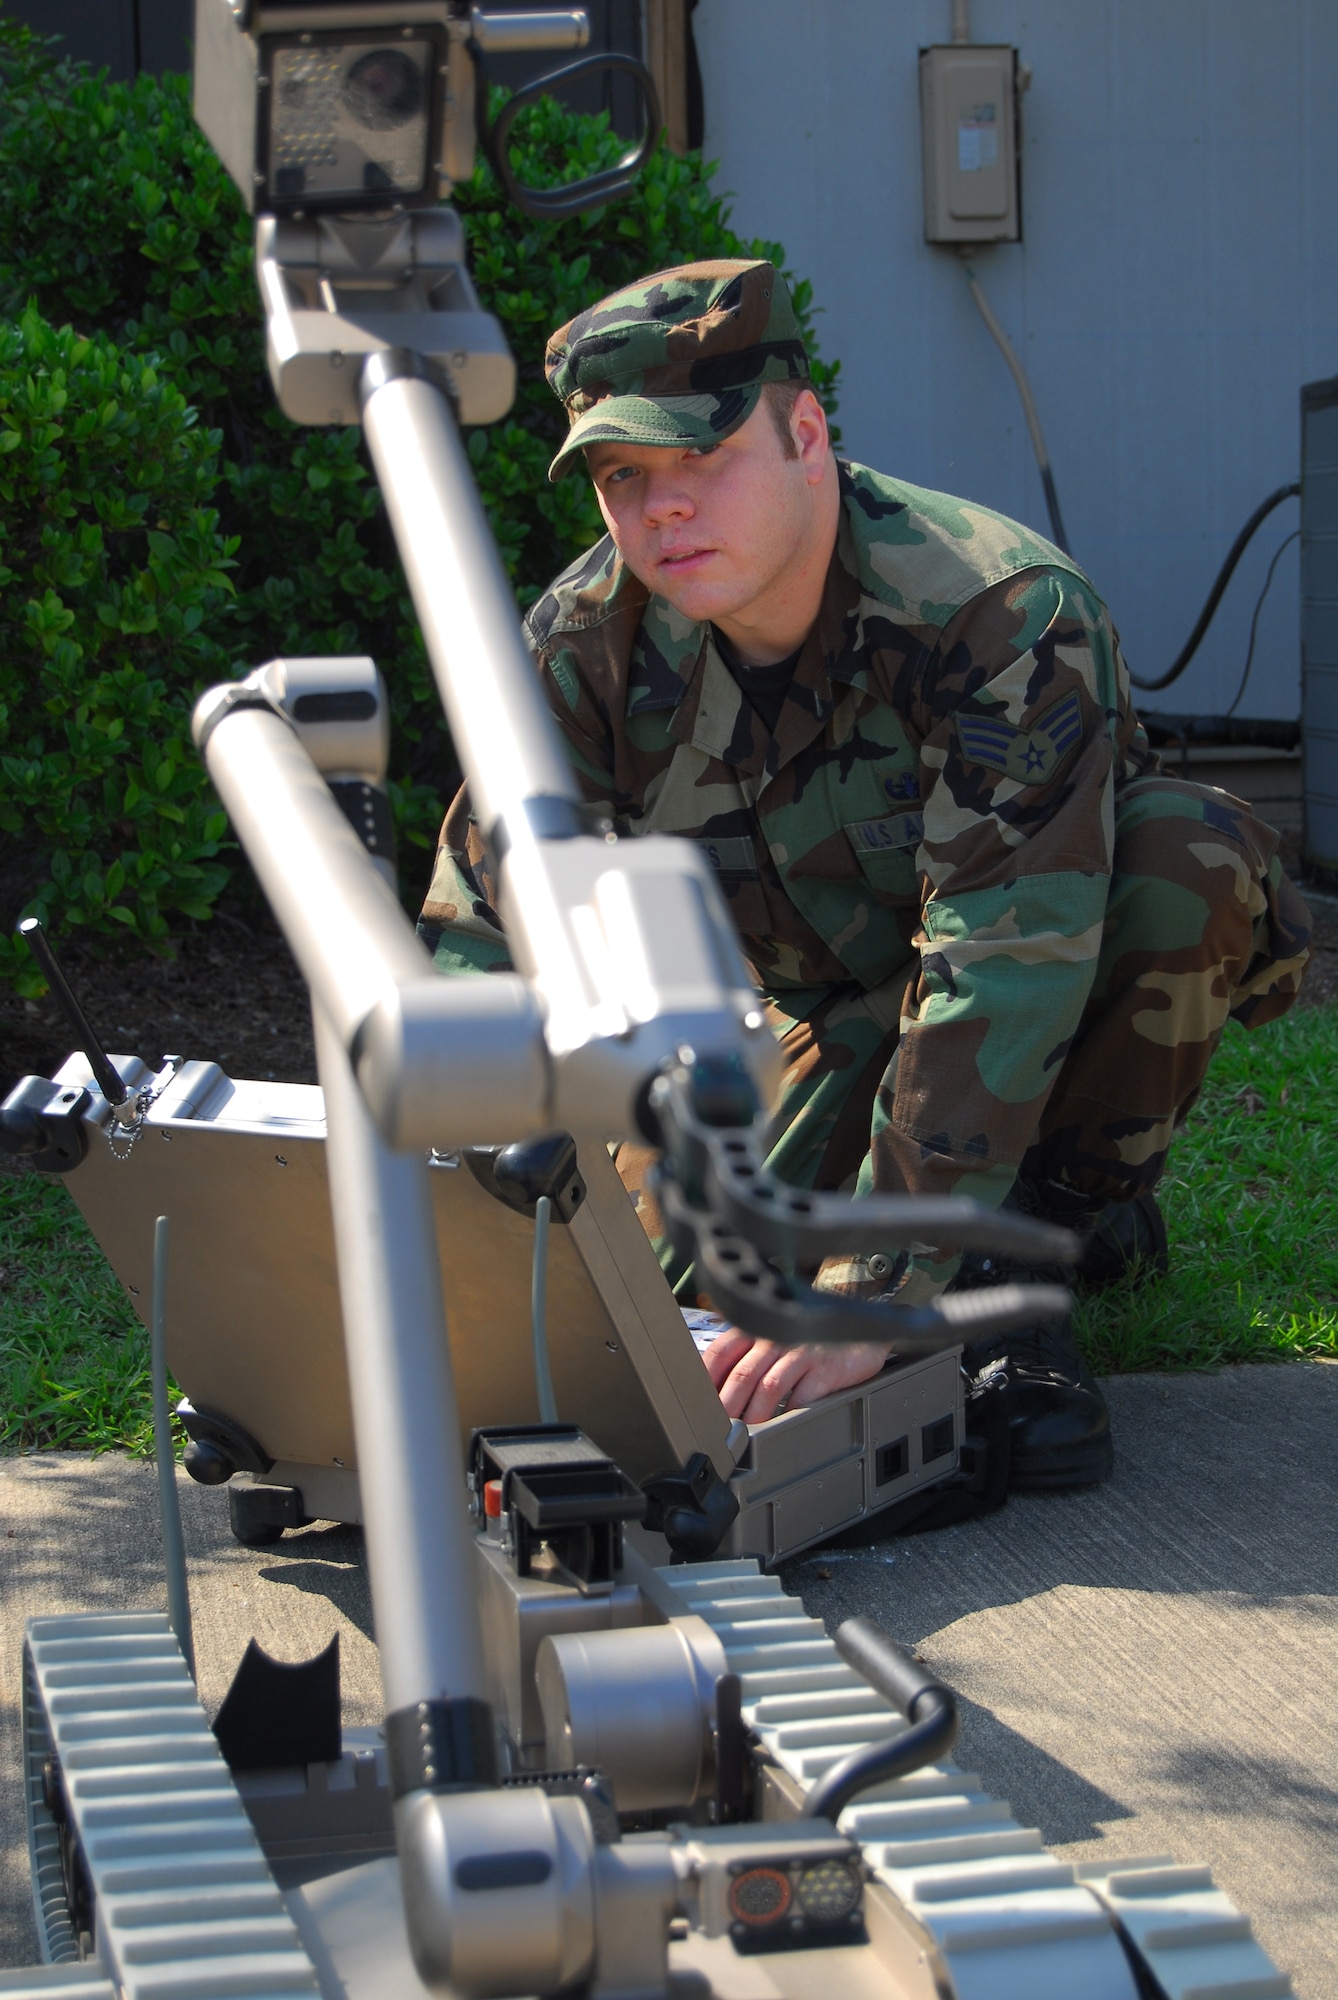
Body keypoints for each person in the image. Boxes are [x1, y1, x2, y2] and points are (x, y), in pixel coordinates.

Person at [419, 259, 1311, 1491]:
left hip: (1027, 976)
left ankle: (1023, 1262)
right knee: (673, 1306)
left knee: (1186, 861)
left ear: (805, 435)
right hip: (808, 1008)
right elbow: (482, 924)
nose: (662, 510)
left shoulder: (998, 613)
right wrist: (444, 1238)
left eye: (700, 458)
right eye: (625, 477)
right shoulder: (588, 645)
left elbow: (1003, 960)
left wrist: (875, 1292)